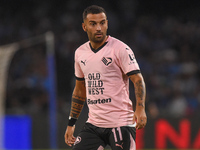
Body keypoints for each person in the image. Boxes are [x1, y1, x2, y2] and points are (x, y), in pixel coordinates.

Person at [64, 5, 147, 150]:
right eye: (93, 24)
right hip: (94, 124)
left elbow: (138, 79)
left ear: (107, 23)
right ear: (84, 27)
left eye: (102, 23)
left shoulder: (120, 49)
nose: (98, 28)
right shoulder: (80, 53)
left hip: (121, 123)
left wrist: (140, 108)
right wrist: (71, 123)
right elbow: (79, 90)